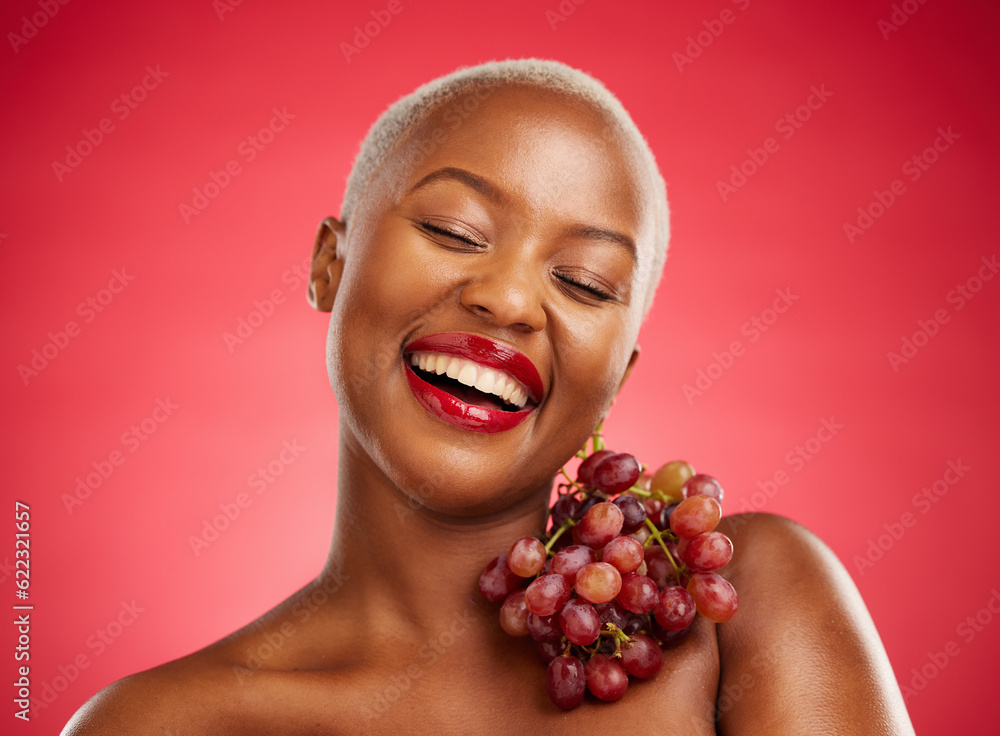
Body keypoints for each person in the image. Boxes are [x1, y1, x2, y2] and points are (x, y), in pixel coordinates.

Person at [63, 59, 915, 734]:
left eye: (583, 282)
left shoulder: (736, 611)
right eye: (452, 231)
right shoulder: (160, 725)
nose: (508, 301)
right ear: (332, 265)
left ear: (618, 378)